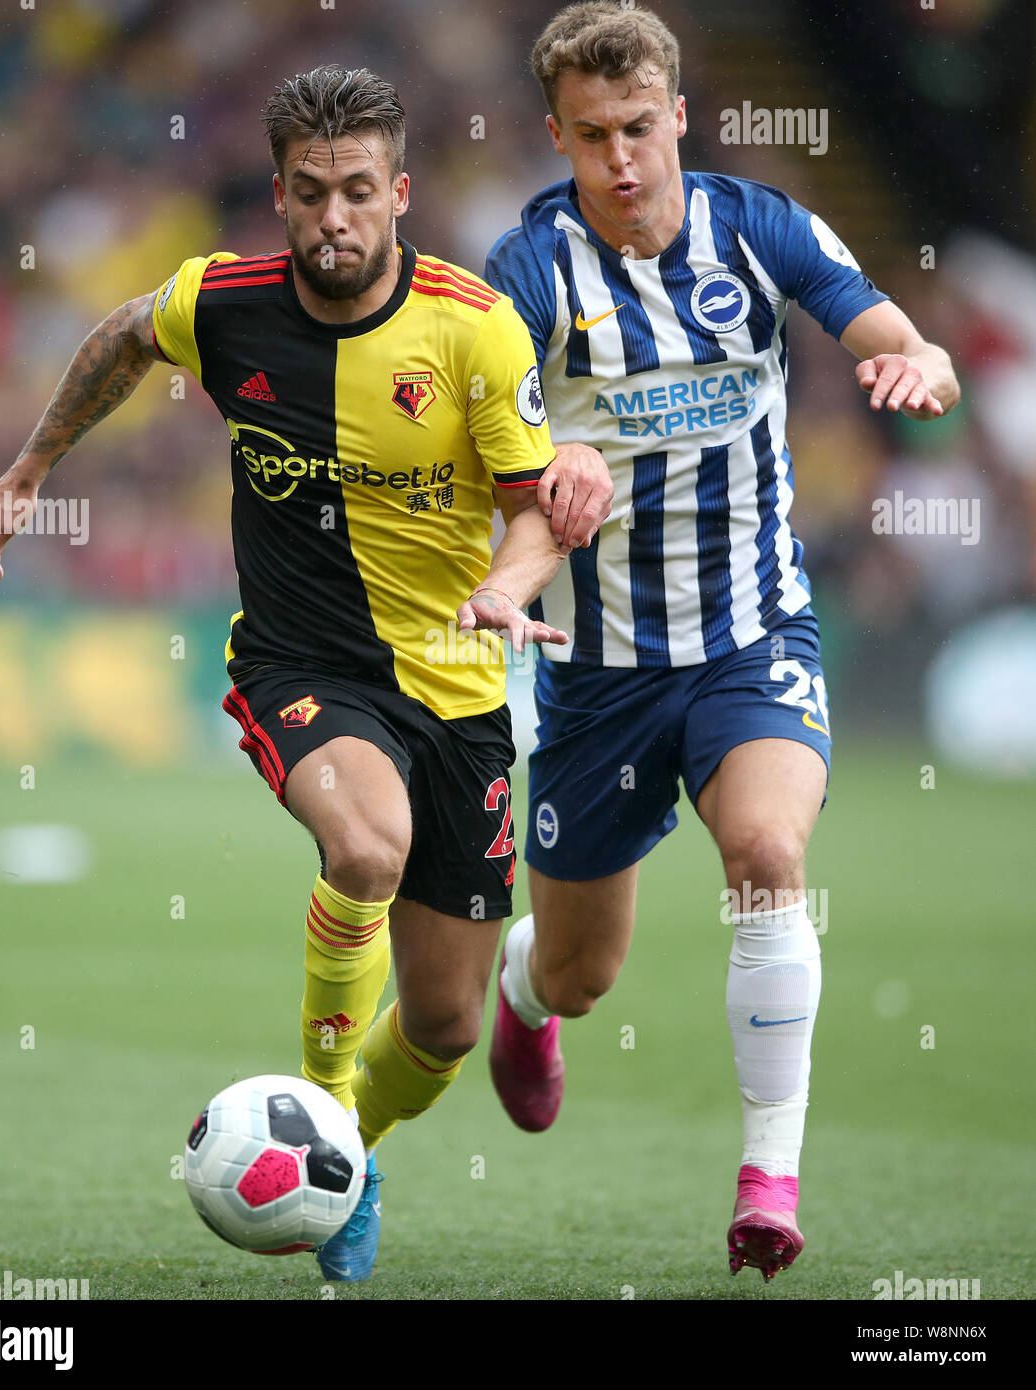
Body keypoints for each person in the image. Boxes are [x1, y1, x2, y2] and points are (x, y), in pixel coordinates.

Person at [0, 63, 612, 1284]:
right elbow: (116, 337)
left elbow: (538, 512)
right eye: (309, 193)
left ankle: (349, 1144)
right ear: (277, 195)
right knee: (363, 847)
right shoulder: (222, 302)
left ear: (399, 192)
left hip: (461, 691)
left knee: (437, 1029)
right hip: (299, 662)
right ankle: (323, 1127)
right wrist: (30, 468)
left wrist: (503, 590)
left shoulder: (472, 327)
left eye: (358, 192)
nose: (333, 218)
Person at [483, 2, 960, 1280]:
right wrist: (538, 484)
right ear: (559, 137)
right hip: (596, 674)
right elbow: (491, 459)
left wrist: (914, 364)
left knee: (766, 847)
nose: (622, 159)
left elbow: (884, 326)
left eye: (639, 127)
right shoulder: (526, 273)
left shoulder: (757, 229)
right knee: (585, 970)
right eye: (592, 137)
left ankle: (768, 1178)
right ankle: (525, 996)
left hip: (753, 635)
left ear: (678, 115)